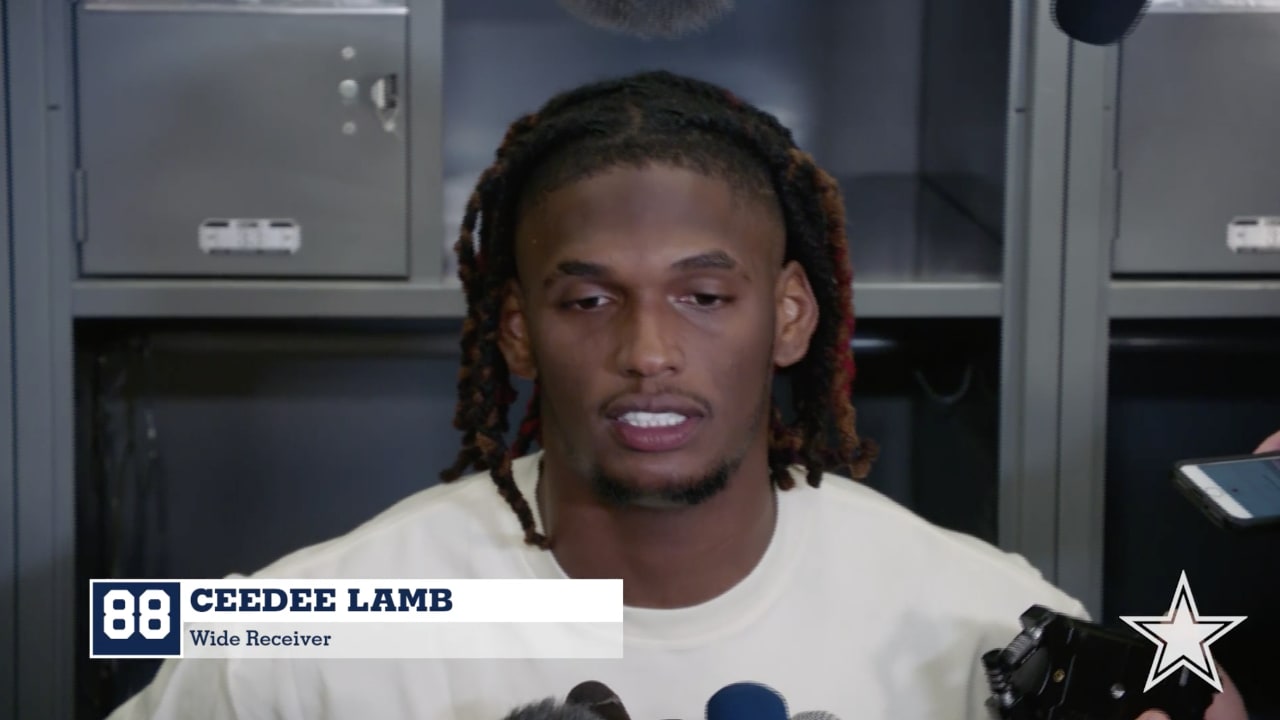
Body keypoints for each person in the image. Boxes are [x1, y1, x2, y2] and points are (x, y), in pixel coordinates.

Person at [104, 70, 1247, 720]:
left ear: (789, 316)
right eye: (589, 302)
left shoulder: (977, 623)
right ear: (515, 327)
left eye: (705, 297)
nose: (649, 351)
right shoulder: (311, 635)